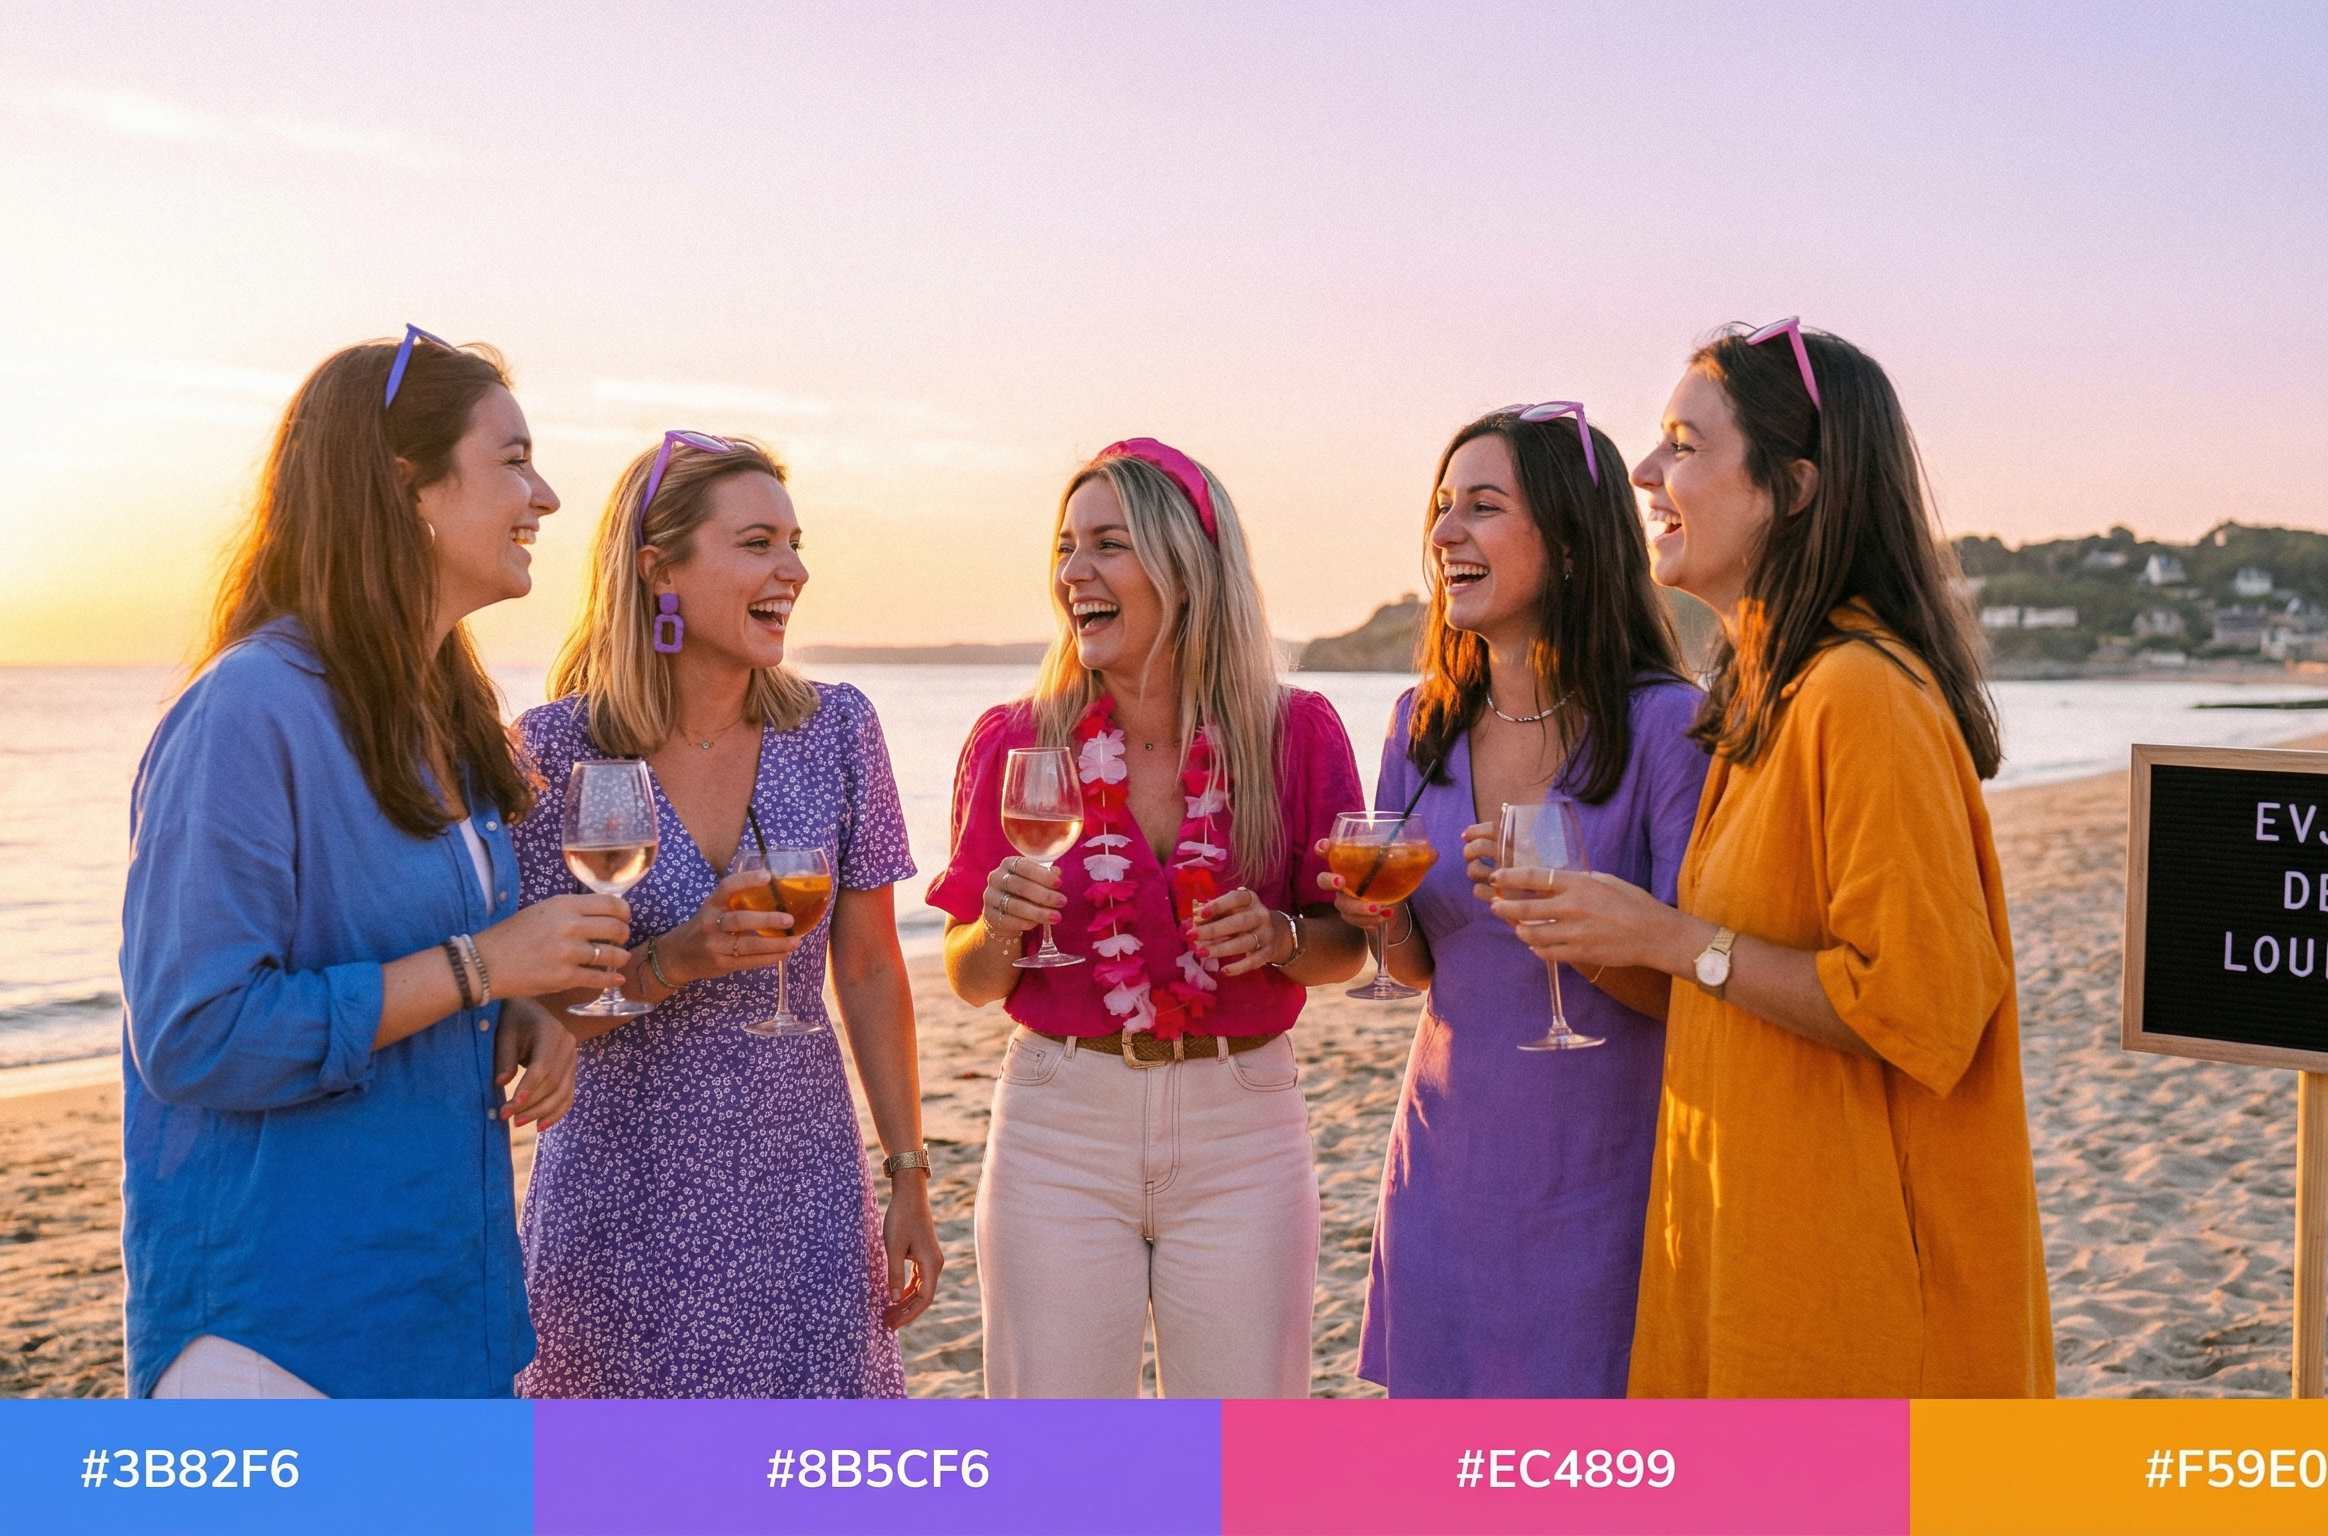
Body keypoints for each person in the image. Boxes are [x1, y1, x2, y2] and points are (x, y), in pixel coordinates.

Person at [1492, 320, 2054, 1397]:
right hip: (1753, 1266)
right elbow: (1734, 986)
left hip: (1857, 1307)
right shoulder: (1767, 696)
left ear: (1792, 489)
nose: (1645, 474)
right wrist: (1606, 934)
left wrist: (1674, 937)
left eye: (1683, 446)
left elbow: (1921, 1005)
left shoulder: (1861, 697)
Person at [121, 327, 620, 1398]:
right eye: (513, 460)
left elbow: (431, 968)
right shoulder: (246, 713)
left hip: (448, 1309)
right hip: (282, 1338)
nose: (546, 494)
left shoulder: (450, 718)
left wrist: (514, 1013)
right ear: (408, 487)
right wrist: (482, 969)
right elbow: (195, 1037)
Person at [932, 439, 1367, 1398]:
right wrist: (998, 927)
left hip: (1244, 1127)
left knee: (1243, 1462)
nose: (1072, 573)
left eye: (1106, 545)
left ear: (1186, 566)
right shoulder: (1018, 738)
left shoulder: (1295, 733)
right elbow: (969, 977)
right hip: (1059, 1126)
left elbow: (1351, 944)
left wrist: (1286, 941)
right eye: (1063, 546)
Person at [512, 432, 940, 1398]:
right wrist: (671, 963)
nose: (793, 569)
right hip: (622, 1206)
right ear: (659, 570)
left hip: (803, 1198)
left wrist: (908, 1170)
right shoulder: (548, 754)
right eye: (757, 543)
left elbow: (870, 970)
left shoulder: (835, 729)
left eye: (794, 542)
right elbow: (532, 1028)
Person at [1324, 405, 1707, 1397]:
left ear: (1573, 541)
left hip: (1603, 1187)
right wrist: (1384, 921)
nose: (1444, 534)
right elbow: (1419, 970)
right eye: (1441, 509)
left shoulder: (1669, 725)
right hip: (1445, 1176)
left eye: (1482, 508)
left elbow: (1689, 989)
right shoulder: (1420, 723)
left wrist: (1570, 929)